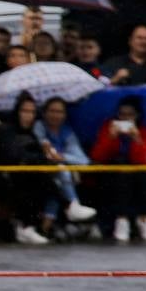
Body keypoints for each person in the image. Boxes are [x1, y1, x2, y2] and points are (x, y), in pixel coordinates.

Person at [0, 94, 58, 245]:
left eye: (32, 112)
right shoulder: (6, 131)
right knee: (34, 179)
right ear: (17, 112)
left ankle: (32, 225)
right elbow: (11, 156)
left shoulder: (32, 133)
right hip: (2, 178)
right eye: (25, 111)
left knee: (45, 177)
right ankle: (26, 225)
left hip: (26, 176)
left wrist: (45, 153)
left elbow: (35, 157)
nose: (28, 116)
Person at [89, 95, 146, 242]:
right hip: (111, 174)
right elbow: (98, 156)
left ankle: (145, 219)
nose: (125, 118)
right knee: (121, 167)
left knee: (143, 173)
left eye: (130, 115)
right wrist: (110, 137)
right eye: (122, 114)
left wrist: (137, 139)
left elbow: (144, 160)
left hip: (137, 175)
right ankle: (122, 219)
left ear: (137, 116)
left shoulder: (145, 132)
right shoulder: (108, 127)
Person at [33, 97, 97, 226]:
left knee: (60, 178)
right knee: (60, 175)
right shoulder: (39, 126)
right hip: (40, 169)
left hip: (59, 174)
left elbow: (83, 160)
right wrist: (46, 149)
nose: (56, 115)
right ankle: (73, 204)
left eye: (60, 112)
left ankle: (48, 228)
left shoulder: (67, 132)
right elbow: (42, 144)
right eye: (52, 111)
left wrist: (64, 157)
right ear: (44, 112)